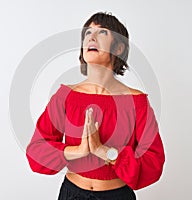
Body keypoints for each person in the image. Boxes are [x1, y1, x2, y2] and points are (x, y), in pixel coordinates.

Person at [26, 12, 165, 200]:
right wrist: (79, 150)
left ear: (119, 47)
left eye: (102, 32)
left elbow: (153, 163)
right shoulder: (65, 96)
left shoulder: (136, 102)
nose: (91, 36)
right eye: (87, 33)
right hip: (72, 194)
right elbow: (36, 151)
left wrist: (105, 151)